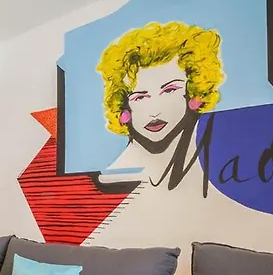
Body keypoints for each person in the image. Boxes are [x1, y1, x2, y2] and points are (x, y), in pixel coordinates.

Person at [95, 21, 224, 184]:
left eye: (169, 90)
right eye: (139, 97)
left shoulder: (217, 156)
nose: (154, 111)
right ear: (125, 108)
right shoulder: (111, 177)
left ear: (193, 91)